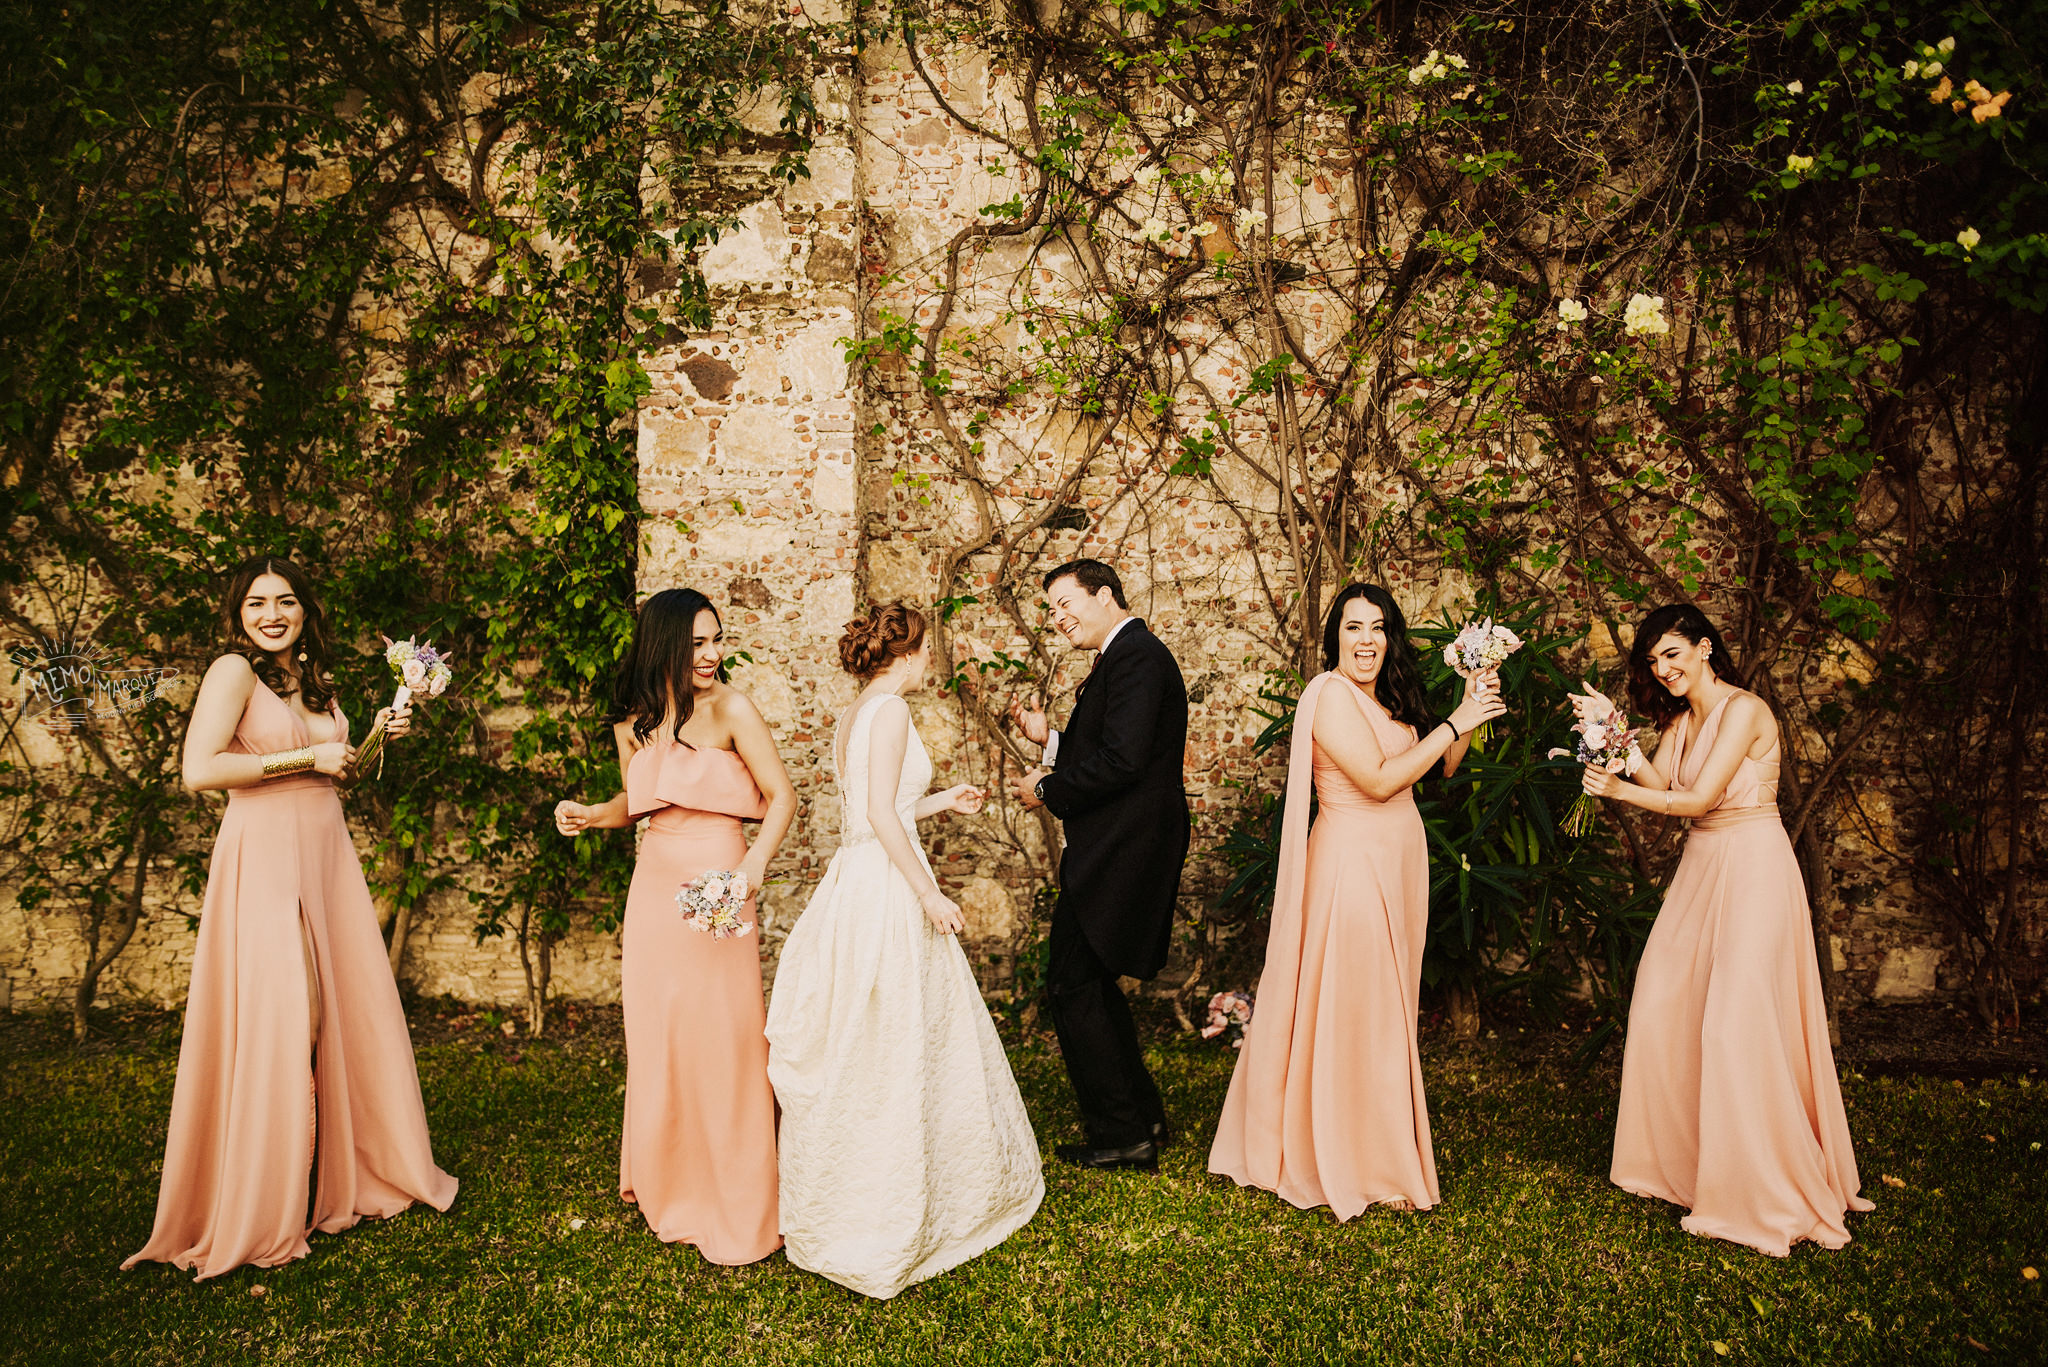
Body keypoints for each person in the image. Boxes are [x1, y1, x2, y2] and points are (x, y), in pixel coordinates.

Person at [125, 556, 456, 1280]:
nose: (271, 613)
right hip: (265, 851)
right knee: (286, 1015)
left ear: (306, 609)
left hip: (324, 850)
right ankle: (262, 1197)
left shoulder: (313, 679)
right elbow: (200, 769)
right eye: (255, 603)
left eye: (285, 601)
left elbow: (339, 773)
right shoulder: (232, 672)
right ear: (236, 614)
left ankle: (342, 1172)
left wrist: (372, 741)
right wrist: (311, 751)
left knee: (339, 1014)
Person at [766, 603, 1043, 1298]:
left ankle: (857, 1193)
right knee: (897, 1040)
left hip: (857, 876)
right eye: (930, 649)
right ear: (912, 650)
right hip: (886, 886)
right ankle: (892, 1207)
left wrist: (942, 797)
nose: (933, 661)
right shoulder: (889, 712)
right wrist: (927, 892)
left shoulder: (857, 710)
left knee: (876, 1039)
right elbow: (881, 816)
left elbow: (871, 811)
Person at [1581, 602, 1871, 1256]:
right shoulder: (1683, 722)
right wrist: (1615, 736)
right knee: (1661, 998)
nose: (1665, 668)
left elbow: (1694, 800)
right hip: (1702, 867)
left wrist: (1620, 791)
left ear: (1706, 647)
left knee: (1733, 1020)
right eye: (1654, 661)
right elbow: (1664, 781)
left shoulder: (1745, 711)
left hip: (1754, 866)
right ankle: (1682, 1166)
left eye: (1674, 654)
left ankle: (1760, 1185)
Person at [1208, 584, 1504, 1216]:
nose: (1366, 640)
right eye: (1352, 627)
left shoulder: (1389, 700)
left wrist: (1468, 702)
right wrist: (1454, 723)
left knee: (1383, 1002)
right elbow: (1375, 782)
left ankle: (1374, 1144)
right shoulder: (1328, 695)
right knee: (1357, 1007)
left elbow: (1442, 767)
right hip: (1351, 864)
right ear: (1334, 637)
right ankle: (1355, 1158)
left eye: (1377, 628)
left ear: (1390, 637)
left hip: (1398, 860)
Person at [554, 588, 796, 1264]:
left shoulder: (732, 708)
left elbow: (783, 797)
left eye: (717, 638)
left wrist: (748, 871)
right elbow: (637, 803)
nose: (713, 653)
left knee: (725, 1034)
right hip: (655, 886)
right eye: (697, 643)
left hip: (718, 880)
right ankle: (670, 1178)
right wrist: (586, 812)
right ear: (663, 645)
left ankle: (739, 1197)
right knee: (660, 1032)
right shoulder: (633, 721)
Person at [1008, 559, 1188, 1171]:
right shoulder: (1126, 656)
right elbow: (1117, 745)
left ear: (1105, 594)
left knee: (1072, 983)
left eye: (1066, 603)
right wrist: (1051, 741)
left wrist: (1049, 789)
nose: (1057, 619)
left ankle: (1124, 1134)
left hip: (1126, 846)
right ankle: (1142, 1118)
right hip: (1120, 843)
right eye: (1051, 609)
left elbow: (1123, 762)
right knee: (1087, 981)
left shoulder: (1135, 655)